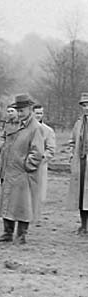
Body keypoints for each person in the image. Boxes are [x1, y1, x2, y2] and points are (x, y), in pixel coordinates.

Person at [0, 94, 44, 244]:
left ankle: (21, 235)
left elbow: (37, 152)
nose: (20, 113)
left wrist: (27, 165)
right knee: (7, 202)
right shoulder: (15, 124)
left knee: (23, 205)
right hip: (10, 170)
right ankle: (7, 232)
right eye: (18, 110)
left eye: (22, 111)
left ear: (30, 110)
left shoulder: (35, 128)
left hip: (23, 173)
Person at [67, 92, 88, 235]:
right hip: (80, 163)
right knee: (81, 195)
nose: (86, 108)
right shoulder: (79, 123)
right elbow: (72, 141)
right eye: (84, 105)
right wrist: (71, 155)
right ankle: (83, 225)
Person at [33, 104, 56, 219]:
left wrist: (42, 158)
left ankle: (36, 216)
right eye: (36, 113)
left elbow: (51, 150)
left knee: (38, 191)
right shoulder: (23, 129)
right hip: (23, 164)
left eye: (40, 113)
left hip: (39, 165)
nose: (38, 116)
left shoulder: (48, 131)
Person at [0, 106, 20, 183]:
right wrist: (2, 147)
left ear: (16, 112)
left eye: (12, 111)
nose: (10, 113)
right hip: (6, 153)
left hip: (17, 153)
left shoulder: (21, 124)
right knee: (4, 177)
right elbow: (3, 136)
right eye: (8, 111)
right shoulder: (6, 123)